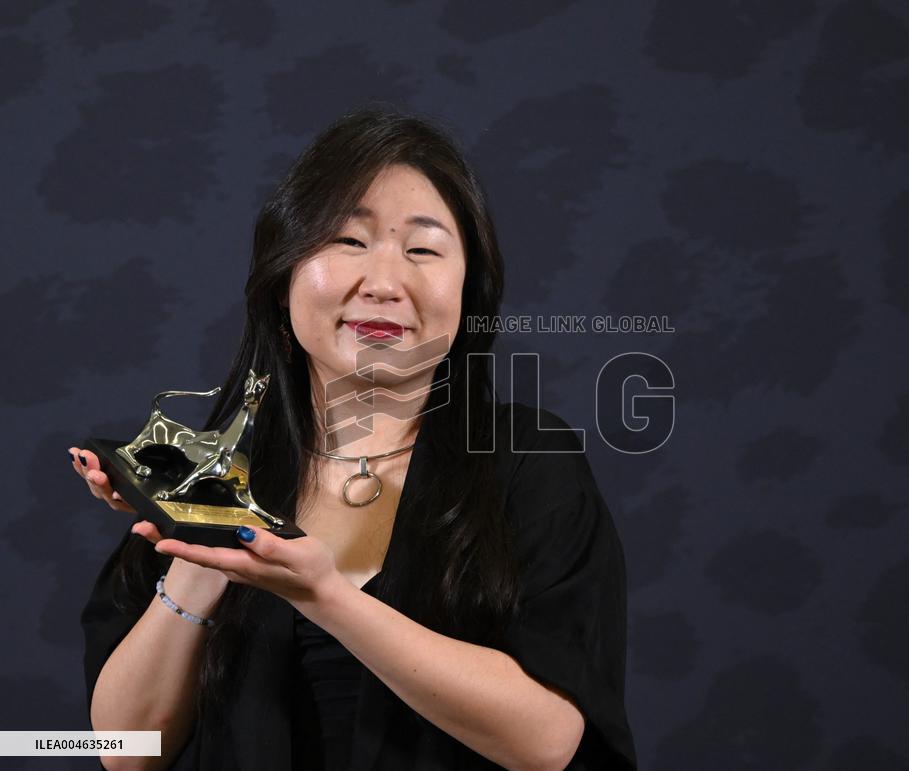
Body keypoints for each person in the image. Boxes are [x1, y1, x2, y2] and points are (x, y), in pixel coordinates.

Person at [70, 104, 638, 770]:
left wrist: (328, 598)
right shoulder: (214, 472)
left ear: (468, 296)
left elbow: (545, 741)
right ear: (283, 279)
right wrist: (201, 549)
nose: (385, 282)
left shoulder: (528, 462)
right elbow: (124, 751)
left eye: (423, 249)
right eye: (348, 240)